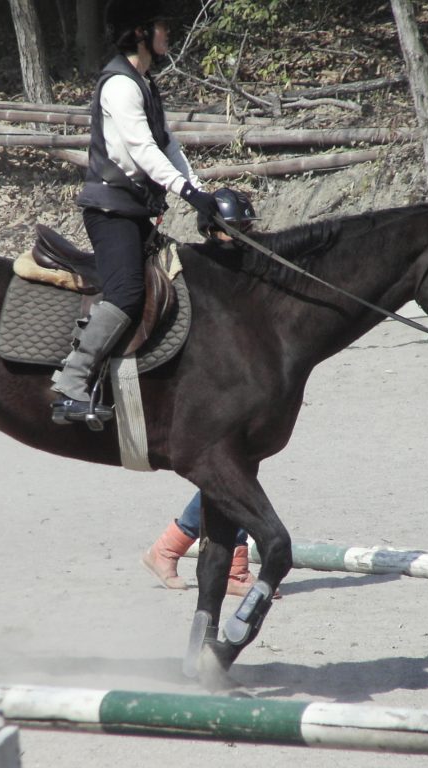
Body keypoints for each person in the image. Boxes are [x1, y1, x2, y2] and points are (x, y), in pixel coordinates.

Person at [51, 0, 219, 426]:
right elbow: (142, 150)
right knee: (126, 293)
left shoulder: (145, 84)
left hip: (135, 211)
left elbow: (168, 147)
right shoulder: (120, 86)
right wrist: (185, 191)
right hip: (110, 211)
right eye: (162, 26)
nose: (168, 33)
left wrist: (201, 194)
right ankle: (71, 385)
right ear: (142, 32)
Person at [142, 188, 263, 598]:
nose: (244, 236)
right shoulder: (200, 271)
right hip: (212, 385)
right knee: (235, 471)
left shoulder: (246, 270)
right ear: (212, 231)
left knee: (238, 469)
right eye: (236, 229)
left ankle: (172, 549)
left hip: (241, 381)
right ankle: (224, 566)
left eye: (248, 227)